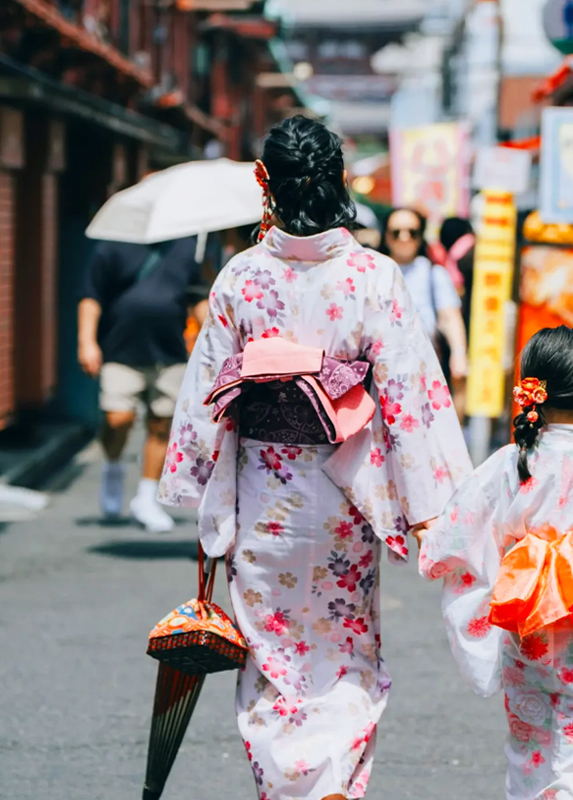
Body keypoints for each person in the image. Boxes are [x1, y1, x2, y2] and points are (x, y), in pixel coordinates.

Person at [157, 116, 472, 800]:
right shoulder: (375, 277)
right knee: (344, 654)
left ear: (263, 182)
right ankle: (334, 778)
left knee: (273, 662)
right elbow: (411, 405)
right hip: (344, 499)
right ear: (343, 183)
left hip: (262, 501)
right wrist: (433, 512)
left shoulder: (240, 279)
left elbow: (207, 400)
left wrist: (194, 478)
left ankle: (285, 781)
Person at [417, 326, 573, 800]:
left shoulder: (508, 462)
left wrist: (431, 546)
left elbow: (452, 537)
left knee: (529, 741)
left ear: (528, 386)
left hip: (523, 625)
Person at [78, 237, 208, 532]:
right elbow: (91, 296)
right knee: (117, 418)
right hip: (120, 350)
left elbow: (198, 296)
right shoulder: (111, 246)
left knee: (162, 425)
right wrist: (86, 342)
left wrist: (213, 337)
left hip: (170, 352)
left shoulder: (186, 247)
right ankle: (113, 467)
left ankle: (146, 498)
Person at [382, 208, 468, 420]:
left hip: (425, 370)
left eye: (412, 232)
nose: (404, 238)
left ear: (421, 236)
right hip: (381, 371)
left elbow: (450, 317)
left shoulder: (433, 272)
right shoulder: (376, 271)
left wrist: (459, 355)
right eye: (396, 232)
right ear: (386, 236)